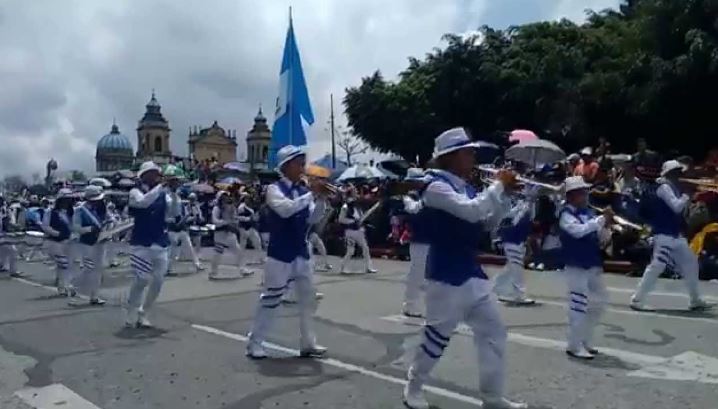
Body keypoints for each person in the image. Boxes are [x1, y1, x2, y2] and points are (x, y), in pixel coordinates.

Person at [403, 127, 526, 409]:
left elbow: (487, 223)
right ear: (450, 157)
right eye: (468, 152)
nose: (473, 156)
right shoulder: (434, 186)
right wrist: (496, 187)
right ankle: (413, 386)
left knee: (494, 333)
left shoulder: (467, 187)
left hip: (472, 273)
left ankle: (492, 398)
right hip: (445, 276)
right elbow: (471, 211)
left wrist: (504, 195)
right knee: (436, 339)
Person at [246, 145, 331, 359]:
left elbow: (313, 219)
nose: (303, 167)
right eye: (299, 163)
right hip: (280, 252)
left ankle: (308, 342)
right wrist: (312, 193)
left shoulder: (304, 191)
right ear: (285, 166)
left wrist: (321, 199)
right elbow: (285, 210)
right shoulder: (273, 189)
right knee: (271, 299)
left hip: (301, 252)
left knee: (309, 298)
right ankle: (255, 342)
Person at [630, 160, 713, 311]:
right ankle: (637, 300)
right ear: (669, 172)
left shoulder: (672, 187)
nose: (680, 174)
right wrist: (687, 196)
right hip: (663, 234)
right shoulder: (664, 187)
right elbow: (676, 207)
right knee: (657, 265)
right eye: (677, 171)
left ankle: (695, 300)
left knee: (691, 263)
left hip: (674, 234)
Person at [558, 176, 611, 359]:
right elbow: (578, 232)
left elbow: (603, 239)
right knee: (578, 305)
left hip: (592, 263)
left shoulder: (588, 213)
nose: (586, 195)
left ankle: (585, 339)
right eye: (582, 192)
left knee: (600, 302)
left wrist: (607, 225)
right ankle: (574, 345)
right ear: (572, 195)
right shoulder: (565, 214)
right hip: (575, 265)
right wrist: (599, 221)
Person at [124, 161, 182, 328]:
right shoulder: (135, 192)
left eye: (157, 173)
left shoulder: (164, 193)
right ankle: (131, 310)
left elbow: (174, 214)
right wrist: (161, 188)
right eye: (152, 172)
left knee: (158, 281)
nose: (156, 175)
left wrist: (175, 192)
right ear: (143, 176)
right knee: (141, 280)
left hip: (160, 242)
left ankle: (144, 312)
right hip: (141, 243)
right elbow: (143, 203)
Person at [493, 191, 537, 305]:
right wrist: (525, 205)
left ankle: (495, 289)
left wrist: (530, 203)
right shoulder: (509, 204)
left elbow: (530, 219)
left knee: (510, 268)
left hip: (519, 239)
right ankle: (519, 295)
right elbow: (514, 220)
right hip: (511, 239)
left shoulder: (525, 205)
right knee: (517, 269)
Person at [70, 185, 108, 306]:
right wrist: (89, 229)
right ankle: (74, 285)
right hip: (86, 242)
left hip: (101, 241)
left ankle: (94, 296)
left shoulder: (102, 209)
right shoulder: (80, 210)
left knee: (98, 270)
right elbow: (75, 227)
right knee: (89, 268)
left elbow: (108, 220)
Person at [401, 168, 430, 318]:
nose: (420, 183)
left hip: (432, 239)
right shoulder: (409, 197)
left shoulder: (427, 195)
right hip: (419, 240)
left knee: (433, 275)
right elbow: (413, 209)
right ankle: (410, 305)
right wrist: (428, 200)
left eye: (421, 180)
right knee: (416, 274)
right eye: (417, 181)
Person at [42, 188, 77, 296]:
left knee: (67, 265)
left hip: (68, 242)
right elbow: (45, 226)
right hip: (54, 243)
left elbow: (73, 226)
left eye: (69, 200)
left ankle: (63, 285)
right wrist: (57, 233)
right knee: (64, 264)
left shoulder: (71, 213)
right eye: (65, 200)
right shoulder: (50, 212)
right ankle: (65, 287)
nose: (67, 202)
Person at [338, 187, 377, 274]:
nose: (357, 193)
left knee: (362, 249)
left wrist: (361, 220)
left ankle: (368, 267)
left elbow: (360, 217)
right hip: (351, 231)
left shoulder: (357, 205)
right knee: (353, 250)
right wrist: (352, 221)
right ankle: (344, 267)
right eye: (355, 192)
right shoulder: (346, 206)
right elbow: (340, 219)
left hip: (358, 231)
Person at [237, 195, 265, 265]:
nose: (248, 200)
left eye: (249, 199)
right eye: (246, 198)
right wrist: (249, 219)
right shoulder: (241, 207)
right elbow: (239, 217)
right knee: (243, 245)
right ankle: (240, 260)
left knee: (257, 242)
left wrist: (254, 219)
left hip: (251, 227)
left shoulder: (250, 207)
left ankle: (261, 258)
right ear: (244, 199)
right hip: (243, 228)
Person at [0, 196, 22, 278]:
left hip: (3, 236)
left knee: (10, 251)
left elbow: (7, 223)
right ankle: (13, 270)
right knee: (12, 251)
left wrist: (16, 226)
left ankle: (11, 269)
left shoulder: (4, 212)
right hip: (2, 236)